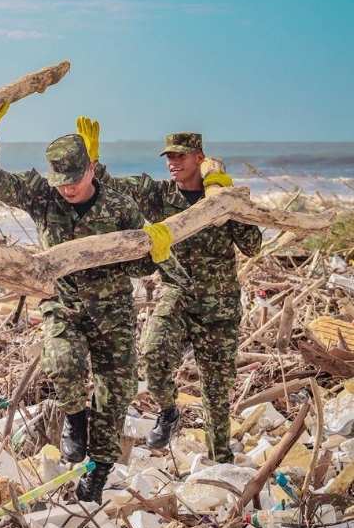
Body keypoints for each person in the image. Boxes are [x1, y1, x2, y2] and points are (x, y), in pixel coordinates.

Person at [0, 96, 175, 503]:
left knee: (114, 394)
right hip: (63, 305)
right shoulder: (43, 195)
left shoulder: (118, 205)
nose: (67, 188)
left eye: (74, 181)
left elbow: (141, 266)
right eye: (60, 181)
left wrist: (153, 250)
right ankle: (73, 418)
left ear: (92, 170)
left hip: (113, 312)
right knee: (62, 362)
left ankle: (96, 475)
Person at [78, 120, 261, 463]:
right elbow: (112, 187)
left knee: (217, 390)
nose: (172, 163)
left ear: (200, 157)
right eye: (168, 157)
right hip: (176, 293)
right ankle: (168, 411)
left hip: (219, 307)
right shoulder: (160, 195)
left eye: (180, 156)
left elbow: (253, 246)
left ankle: (220, 459)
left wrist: (231, 205)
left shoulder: (224, 197)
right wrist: (93, 162)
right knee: (154, 353)